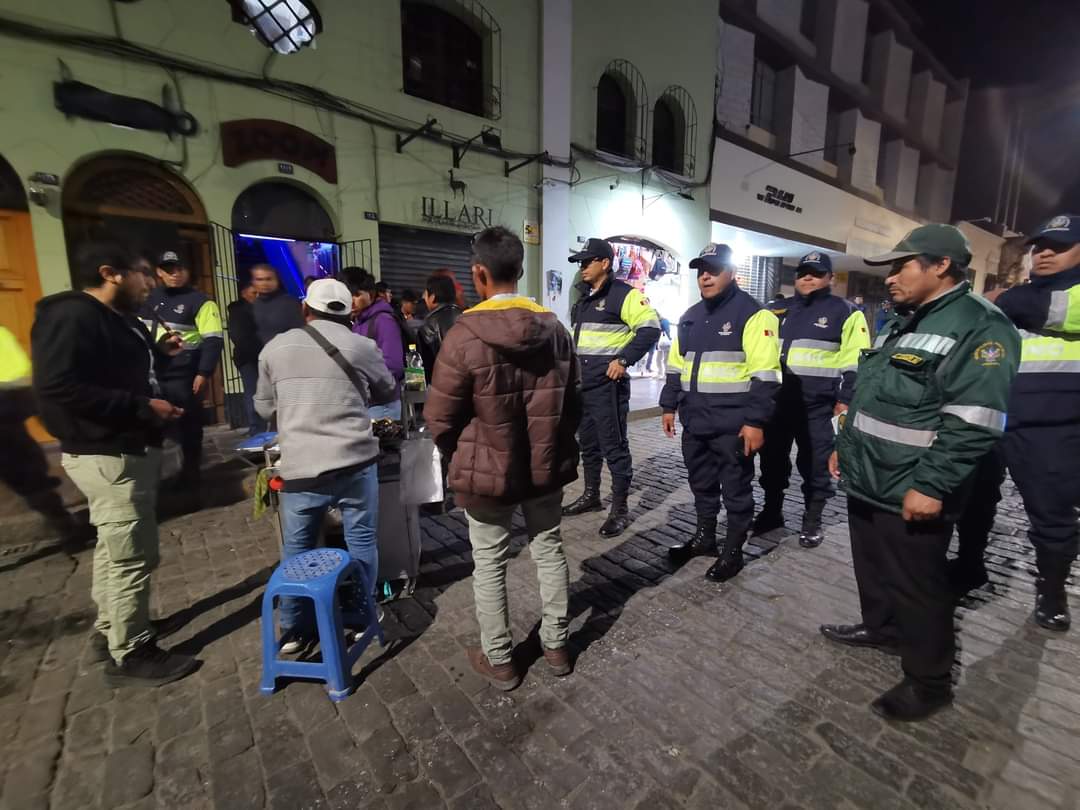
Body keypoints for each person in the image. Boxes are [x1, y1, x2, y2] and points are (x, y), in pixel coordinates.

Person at [821, 224, 1020, 721]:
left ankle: (928, 681)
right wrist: (845, 447)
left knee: (919, 584)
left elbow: (975, 421)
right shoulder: (904, 320)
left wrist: (932, 484)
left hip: (913, 483)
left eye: (901, 265)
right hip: (869, 474)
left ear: (940, 265)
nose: (890, 276)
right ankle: (882, 629)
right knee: (872, 567)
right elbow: (873, 396)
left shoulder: (981, 326)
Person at [32, 239, 198, 687]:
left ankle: (113, 629)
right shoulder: (72, 315)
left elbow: (117, 369)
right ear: (111, 273)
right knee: (132, 552)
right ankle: (133, 651)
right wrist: (144, 406)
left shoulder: (120, 319)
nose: (152, 282)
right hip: (105, 452)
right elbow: (58, 388)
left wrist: (160, 355)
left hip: (127, 447)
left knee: (114, 548)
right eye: (144, 272)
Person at [425, 226, 581, 690]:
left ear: (479, 273)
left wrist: (459, 455)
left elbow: (440, 417)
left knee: (489, 562)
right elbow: (574, 404)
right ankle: (555, 645)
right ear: (520, 269)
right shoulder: (555, 329)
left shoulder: (463, 335)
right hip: (545, 467)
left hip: (486, 472)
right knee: (549, 551)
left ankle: (501, 659)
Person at [951, 213, 1080, 631]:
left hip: (1053, 426)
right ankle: (970, 565)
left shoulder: (1043, 297)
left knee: (1053, 514)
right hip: (993, 415)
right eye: (1039, 246)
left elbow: (1040, 308)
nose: (1043, 253)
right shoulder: (1019, 294)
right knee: (974, 498)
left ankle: (1052, 589)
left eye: (1057, 247)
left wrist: (1001, 298)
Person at [255, 279, 396, 650]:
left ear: (306, 309)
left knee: (297, 550)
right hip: (355, 462)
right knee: (361, 539)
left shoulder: (275, 348)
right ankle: (358, 616)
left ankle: (295, 631)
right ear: (351, 313)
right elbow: (387, 391)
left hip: (300, 468)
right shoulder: (363, 345)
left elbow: (263, 408)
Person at [661, 244, 782, 581]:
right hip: (696, 421)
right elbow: (675, 366)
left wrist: (755, 422)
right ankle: (704, 539)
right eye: (701, 270)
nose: (705, 276)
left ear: (731, 273)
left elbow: (766, 375)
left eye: (713, 269)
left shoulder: (755, 316)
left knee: (736, 489)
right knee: (701, 484)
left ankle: (733, 551)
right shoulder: (689, 316)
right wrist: (669, 404)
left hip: (732, 426)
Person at [754, 252, 870, 548]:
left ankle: (812, 520)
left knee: (816, 465)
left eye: (816, 273)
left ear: (830, 278)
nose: (808, 277)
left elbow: (857, 362)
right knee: (771, 462)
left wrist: (845, 400)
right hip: (777, 404)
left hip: (818, 408)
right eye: (803, 272)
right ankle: (771, 512)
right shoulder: (775, 310)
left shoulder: (846, 312)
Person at [561, 238, 661, 537]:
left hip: (608, 388)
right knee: (588, 446)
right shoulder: (584, 298)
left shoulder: (624, 295)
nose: (582, 267)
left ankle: (619, 509)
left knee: (614, 448)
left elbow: (651, 328)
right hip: (584, 388)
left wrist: (624, 359)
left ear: (605, 263)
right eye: (580, 263)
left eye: (586, 261)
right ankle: (591, 496)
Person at [143, 250, 223, 487]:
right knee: (153, 426)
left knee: (188, 425)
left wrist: (204, 372)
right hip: (151, 373)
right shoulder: (146, 300)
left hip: (184, 374)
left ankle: (191, 473)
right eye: (169, 269)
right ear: (159, 272)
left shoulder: (200, 301)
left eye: (180, 269)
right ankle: (159, 476)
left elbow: (213, 339)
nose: (175, 274)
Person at [0, 327, 85, 546]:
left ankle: (67, 527)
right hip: (6, 421)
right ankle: (67, 528)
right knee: (31, 478)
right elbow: (21, 381)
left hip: (7, 419)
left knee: (31, 478)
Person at [340, 267, 405, 420]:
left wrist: (365, 386)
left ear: (370, 294)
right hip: (365, 403)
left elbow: (394, 365)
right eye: (348, 296)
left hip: (381, 406)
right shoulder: (358, 322)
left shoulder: (383, 320)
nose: (352, 301)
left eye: (356, 295)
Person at [227, 284, 265, 435]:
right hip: (249, 358)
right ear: (244, 293)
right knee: (253, 392)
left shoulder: (261, 308)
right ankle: (257, 429)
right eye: (253, 293)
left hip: (260, 356)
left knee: (260, 392)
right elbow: (239, 337)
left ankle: (262, 428)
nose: (257, 296)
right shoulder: (238, 311)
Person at [417, 274, 463, 380]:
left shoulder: (428, 326)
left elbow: (426, 369)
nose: (424, 299)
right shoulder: (467, 317)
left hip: (442, 386)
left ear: (432, 297)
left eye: (425, 295)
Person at [252, 264, 304, 347]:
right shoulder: (251, 305)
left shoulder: (290, 304)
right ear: (253, 282)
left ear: (277, 280)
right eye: (260, 279)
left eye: (268, 279)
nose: (264, 283)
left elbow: (300, 333)